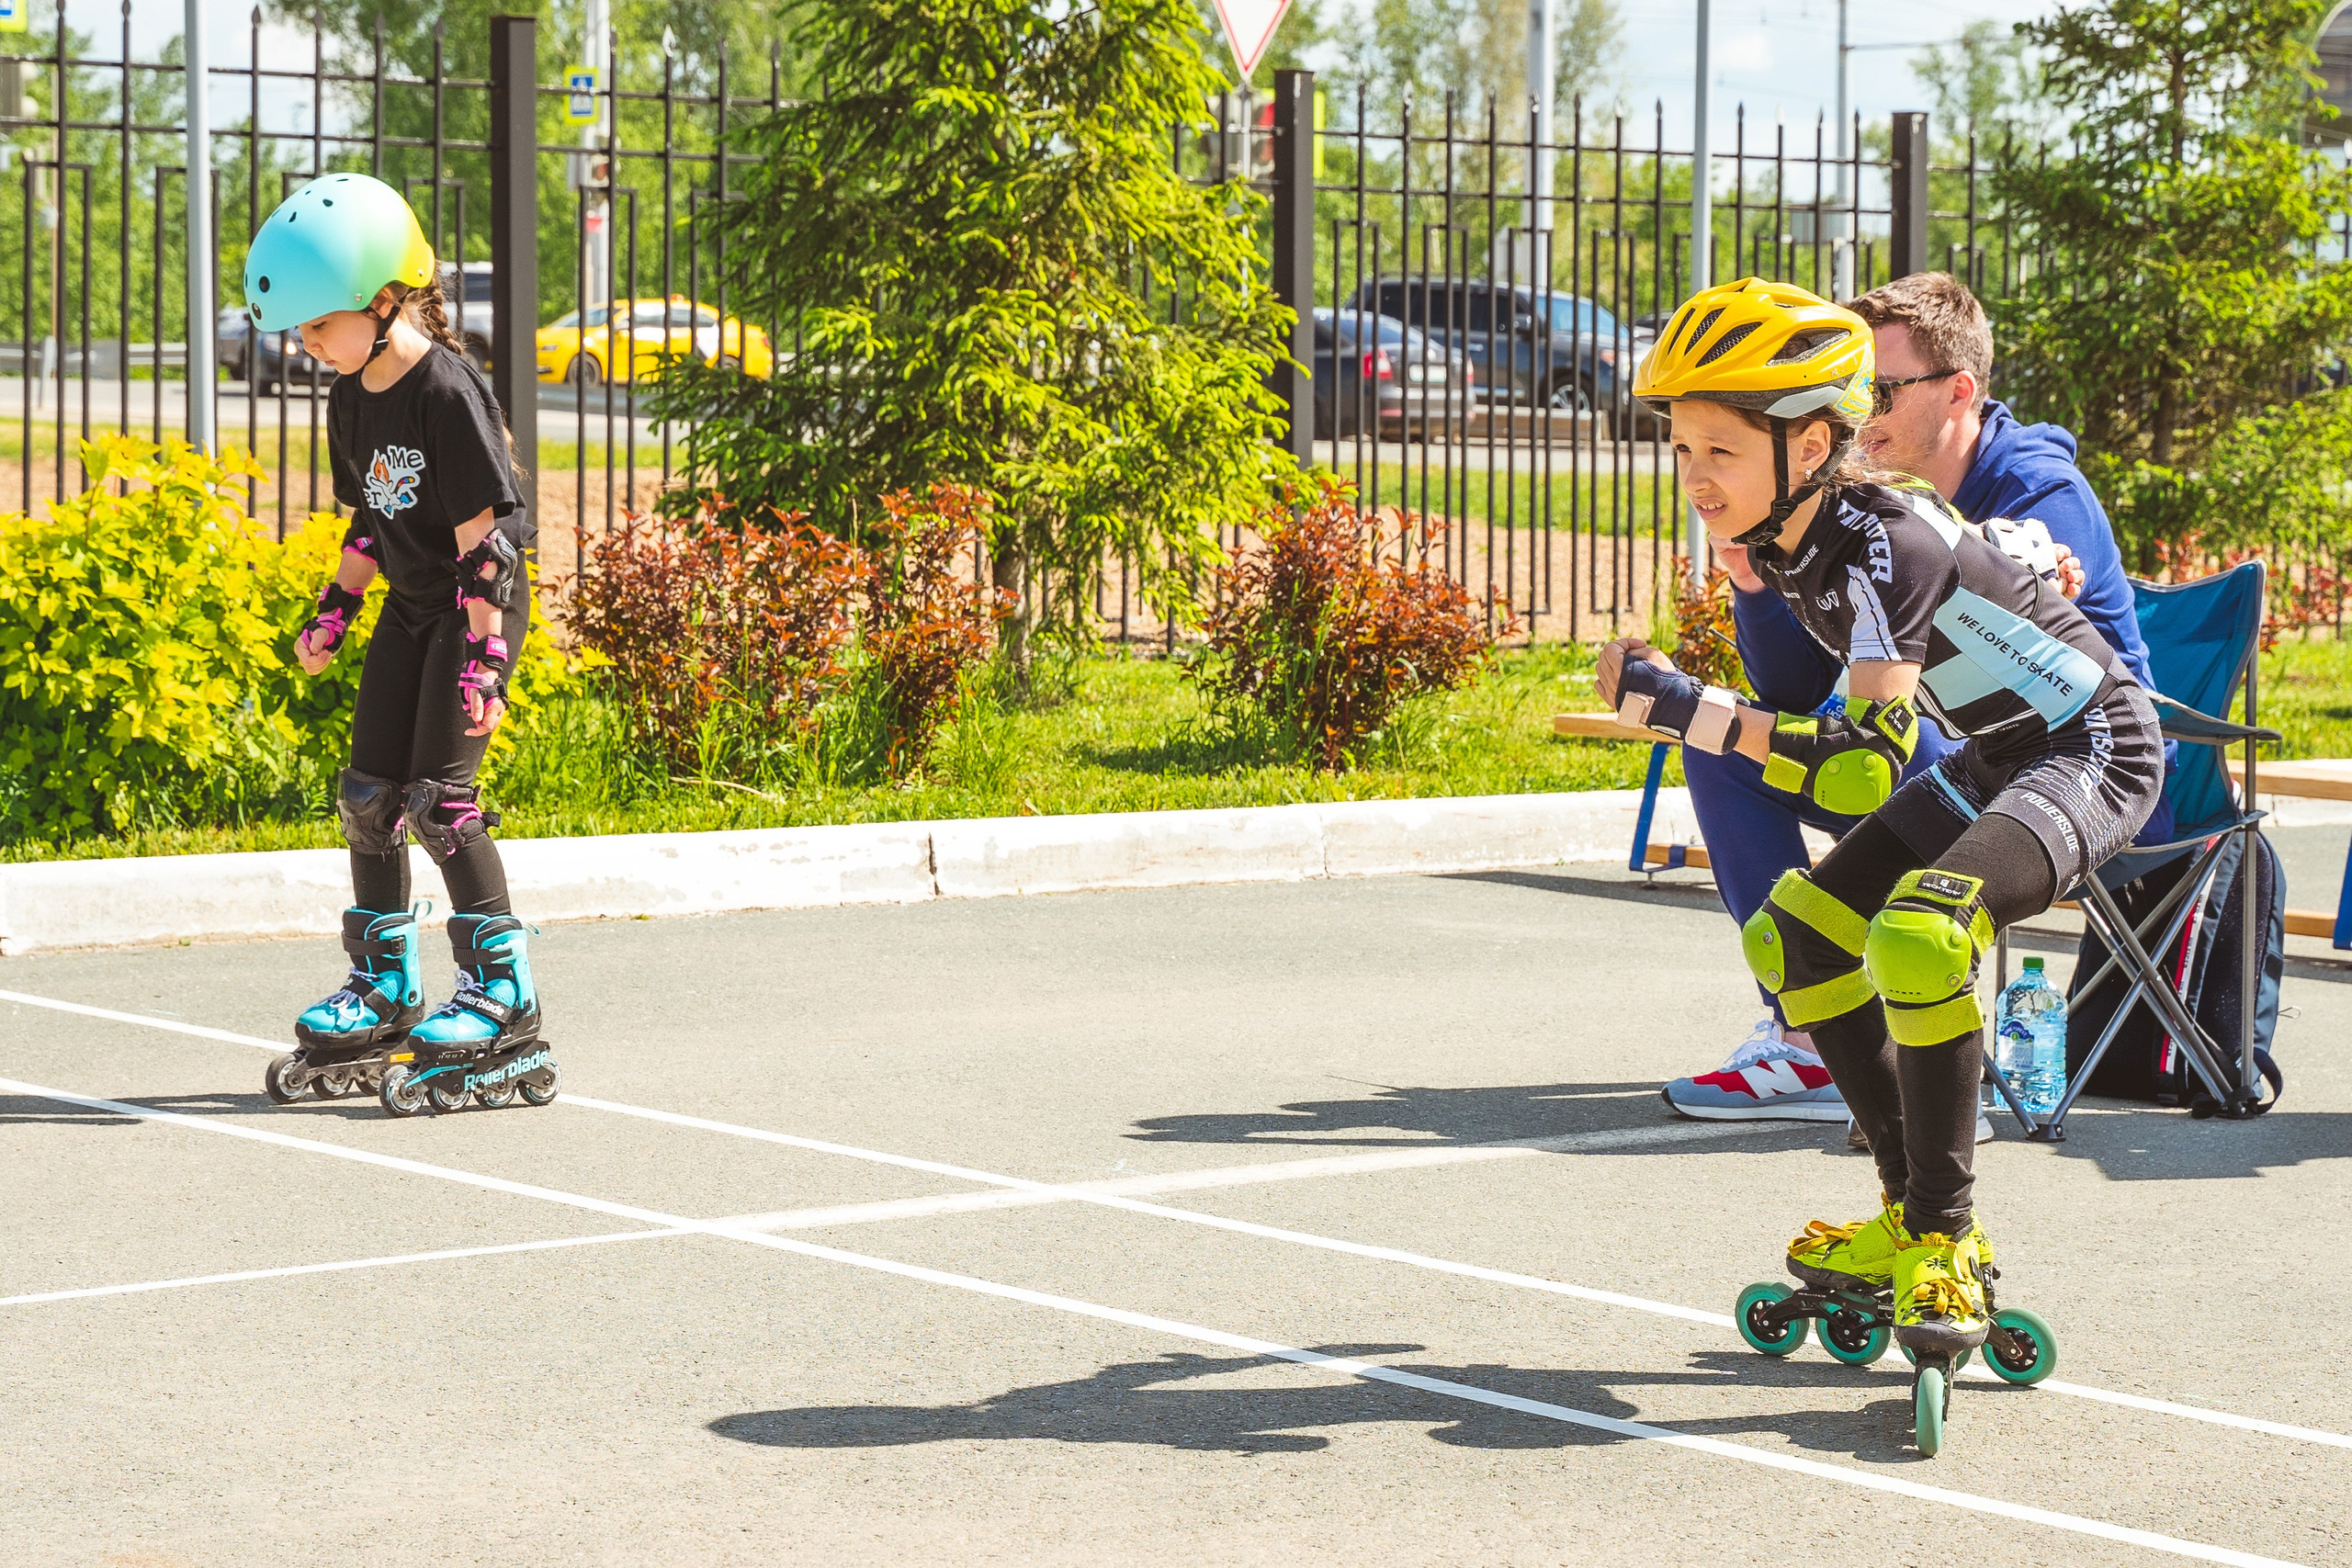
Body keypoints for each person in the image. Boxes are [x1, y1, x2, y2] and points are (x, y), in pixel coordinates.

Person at [1602, 276, 2161, 1369]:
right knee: (1799, 932)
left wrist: (1680, 708)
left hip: (2092, 745)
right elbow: (1797, 688)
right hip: (2004, 750)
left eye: (1720, 450)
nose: (1694, 477)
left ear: (1808, 447)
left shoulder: (1884, 540)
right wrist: (1736, 613)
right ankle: (1903, 1214)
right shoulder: (1784, 536)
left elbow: (1856, 772)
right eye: (1682, 450)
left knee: (1917, 929)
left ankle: (1943, 1239)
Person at [1657, 272, 2169, 1128]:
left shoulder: (2032, 487)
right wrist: (1754, 579)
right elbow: (1786, 686)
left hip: (2087, 770)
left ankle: (1911, 1125)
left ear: (1958, 394)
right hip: (1975, 751)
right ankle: (1813, 1033)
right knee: (1729, 765)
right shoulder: (1828, 513)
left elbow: (2046, 643)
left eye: (1880, 389)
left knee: (1902, 892)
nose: (1859, 408)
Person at [244, 172, 547, 1110]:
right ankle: (385, 988)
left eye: (316, 325)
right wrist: (335, 609)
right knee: (369, 796)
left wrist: (488, 662)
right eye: (297, 333)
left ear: (384, 299)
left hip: (470, 607)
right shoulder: (350, 397)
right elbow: (372, 523)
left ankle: (505, 998)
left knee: (440, 801)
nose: (307, 345)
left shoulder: (444, 392)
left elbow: (486, 543)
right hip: (411, 607)